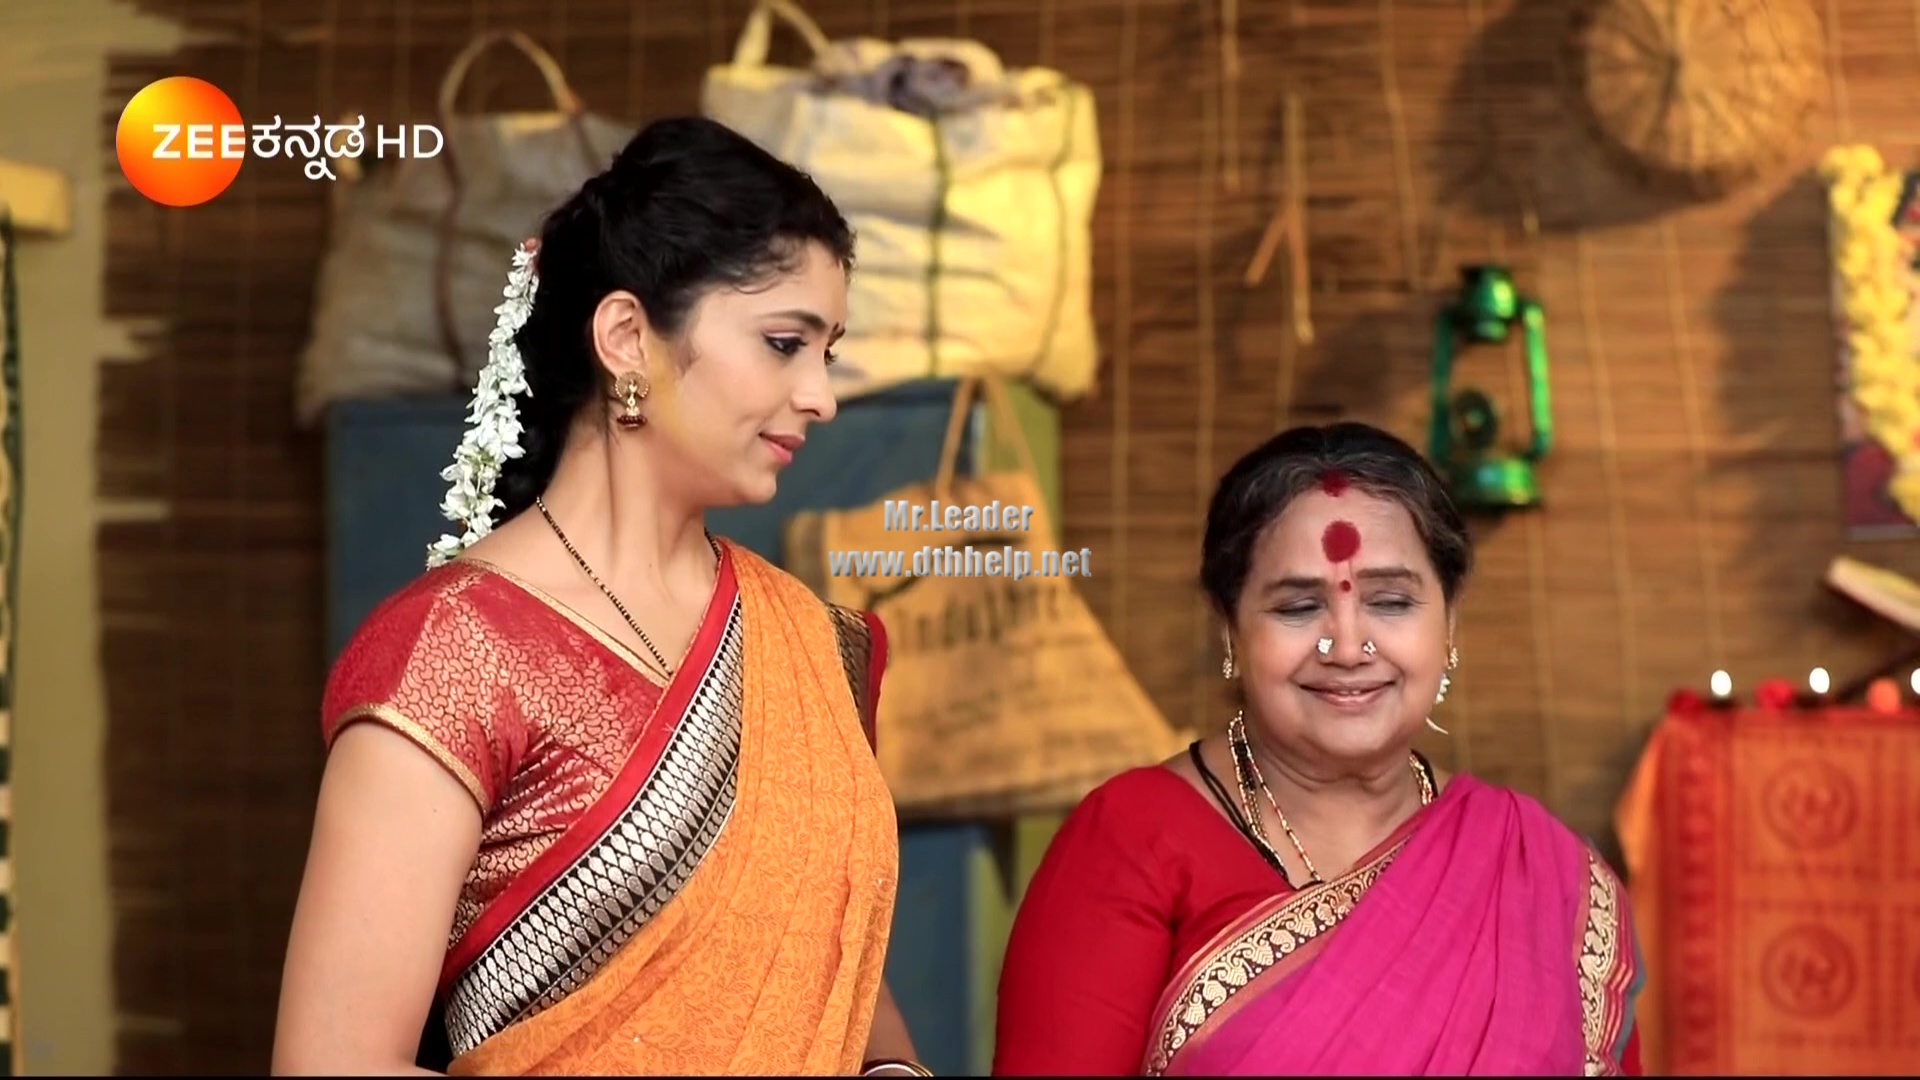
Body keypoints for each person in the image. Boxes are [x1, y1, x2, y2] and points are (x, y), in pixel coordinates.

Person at [271, 116, 928, 1077]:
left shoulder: (815, 644)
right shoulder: (456, 649)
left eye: (826, 354)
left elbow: (828, 971)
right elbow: (333, 1066)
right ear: (627, 337)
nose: (821, 396)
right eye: (784, 343)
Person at [992, 422, 1645, 1077]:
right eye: (1298, 608)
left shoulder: (1541, 873)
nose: (1348, 647)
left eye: (1392, 602)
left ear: (1449, 621)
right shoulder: (1132, 841)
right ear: (1229, 629)